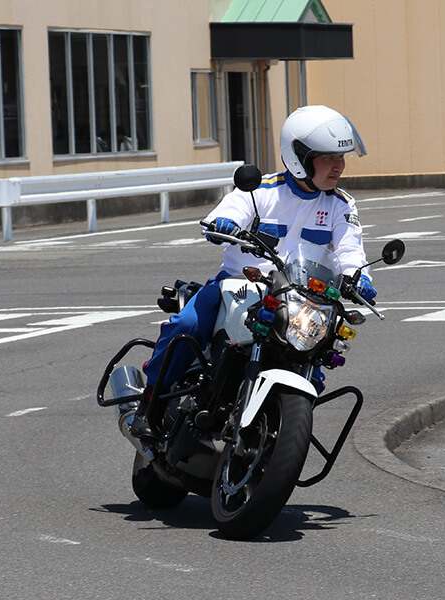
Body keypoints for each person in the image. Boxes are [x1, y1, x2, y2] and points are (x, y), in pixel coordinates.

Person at [131, 104, 377, 441]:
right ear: (300, 157)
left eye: (341, 158)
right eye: (328, 158)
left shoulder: (340, 205)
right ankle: (148, 408)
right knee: (185, 327)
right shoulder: (259, 191)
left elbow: (350, 251)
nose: (338, 166)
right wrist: (224, 224)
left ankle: (280, 430)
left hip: (298, 299)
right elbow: (227, 213)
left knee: (318, 356)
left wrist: (360, 277)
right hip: (238, 288)